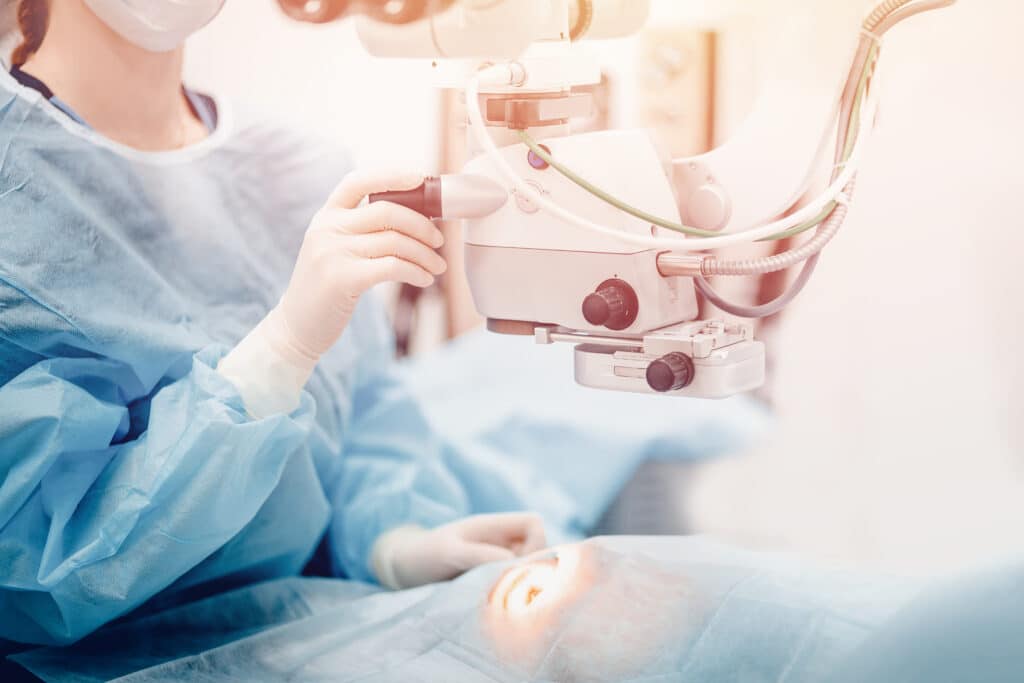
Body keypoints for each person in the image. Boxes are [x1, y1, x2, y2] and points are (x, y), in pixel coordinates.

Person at [0, 0, 547, 649]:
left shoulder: (298, 166)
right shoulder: (15, 185)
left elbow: (363, 414)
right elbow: (33, 575)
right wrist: (280, 352)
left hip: (313, 627)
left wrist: (395, 544)